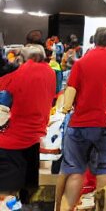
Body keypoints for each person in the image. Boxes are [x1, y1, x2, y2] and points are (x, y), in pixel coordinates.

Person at [57, 27, 106, 211]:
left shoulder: (82, 62)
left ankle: (66, 208)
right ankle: (100, 208)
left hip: (81, 123)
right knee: (104, 170)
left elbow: (71, 91)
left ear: (94, 40)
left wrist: (64, 110)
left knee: (75, 170)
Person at [0, 45, 56, 207]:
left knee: (5, 189)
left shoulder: (18, 74)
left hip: (10, 140)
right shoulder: (50, 73)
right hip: (34, 138)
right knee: (27, 190)